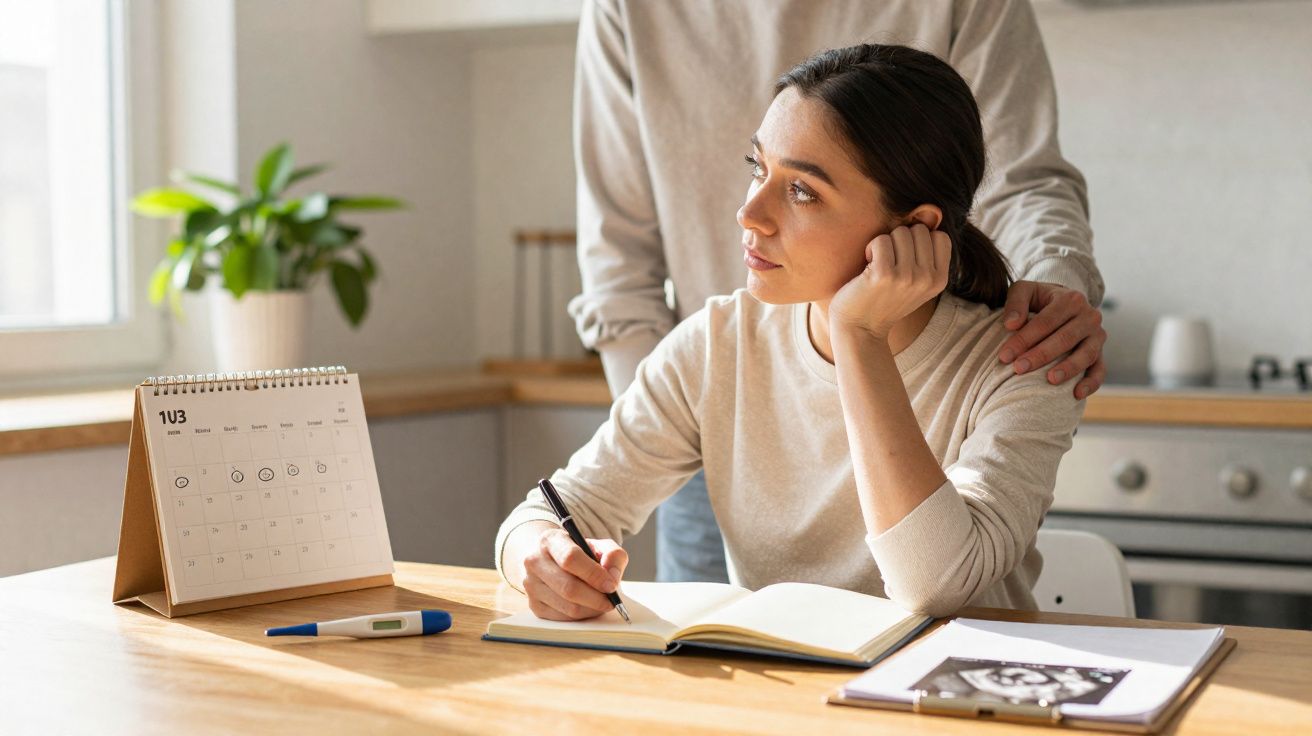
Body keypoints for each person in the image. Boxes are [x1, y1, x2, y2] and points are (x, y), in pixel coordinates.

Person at [496, 43, 1085, 620]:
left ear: (914, 227)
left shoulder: (1022, 363)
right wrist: (536, 554)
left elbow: (936, 588)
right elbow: (548, 511)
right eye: (759, 168)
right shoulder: (716, 345)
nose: (750, 212)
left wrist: (858, 336)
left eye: (802, 190)